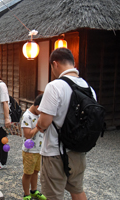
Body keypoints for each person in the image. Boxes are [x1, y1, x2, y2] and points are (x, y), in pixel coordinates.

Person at [36, 48, 95, 200]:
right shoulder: (89, 89)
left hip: (55, 152)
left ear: (54, 64)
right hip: (78, 151)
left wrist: (39, 126)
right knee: (77, 190)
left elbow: (44, 122)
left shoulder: (54, 86)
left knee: (54, 195)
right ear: (73, 63)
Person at [21, 94, 46, 200]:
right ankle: (26, 194)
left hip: (39, 149)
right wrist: (38, 126)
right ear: (37, 107)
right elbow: (28, 135)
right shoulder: (27, 116)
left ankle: (34, 190)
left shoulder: (40, 115)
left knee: (36, 172)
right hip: (29, 151)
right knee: (27, 173)